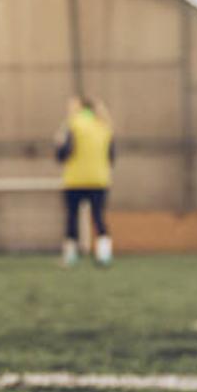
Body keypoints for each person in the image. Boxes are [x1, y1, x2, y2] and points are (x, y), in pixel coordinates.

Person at [57, 97, 114, 267]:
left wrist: (58, 144)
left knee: (72, 217)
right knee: (98, 217)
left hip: (75, 180)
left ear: (79, 108)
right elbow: (112, 156)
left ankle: (70, 256)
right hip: (99, 180)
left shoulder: (72, 125)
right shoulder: (105, 126)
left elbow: (63, 153)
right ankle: (104, 254)